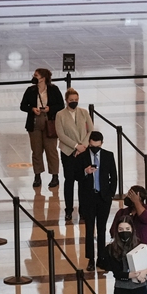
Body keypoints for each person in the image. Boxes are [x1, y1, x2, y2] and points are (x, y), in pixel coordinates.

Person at [109, 185, 147, 294]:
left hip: (143, 253)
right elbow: (113, 230)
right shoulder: (122, 213)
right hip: (124, 253)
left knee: (145, 281)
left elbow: (146, 218)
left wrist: (136, 202)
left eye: (132, 195)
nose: (128, 197)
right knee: (127, 278)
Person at [79, 130, 117, 272]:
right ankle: (90, 259)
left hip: (103, 198)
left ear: (102, 144)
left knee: (102, 228)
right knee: (89, 229)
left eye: (97, 146)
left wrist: (110, 194)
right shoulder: (82, 157)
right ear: (89, 143)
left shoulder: (108, 156)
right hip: (88, 198)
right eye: (92, 146)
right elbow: (76, 176)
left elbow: (114, 176)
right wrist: (85, 172)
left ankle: (101, 257)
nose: (95, 149)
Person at [19, 67, 64, 189]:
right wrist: (32, 109)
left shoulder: (53, 89)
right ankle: (37, 175)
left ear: (43, 78)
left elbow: (61, 105)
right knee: (36, 151)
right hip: (34, 122)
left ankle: (55, 176)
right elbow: (23, 106)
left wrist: (50, 109)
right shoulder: (31, 90)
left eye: (36, 75)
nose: (34, 77)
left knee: (51, 150)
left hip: (49, 121)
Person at [54, 87, 93, 222]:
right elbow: (60, 134)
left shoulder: (83, 112)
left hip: (83, 151)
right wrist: (76, 146)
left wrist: (83, 146)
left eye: (76, 100)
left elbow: (90, 130)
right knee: (69, 181)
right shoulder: (60, 115)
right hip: (68, 152)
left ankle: (83, 210)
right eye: (71, 100)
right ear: (66, 100)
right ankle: (69, 210)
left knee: (83, 181)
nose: (74, 102)